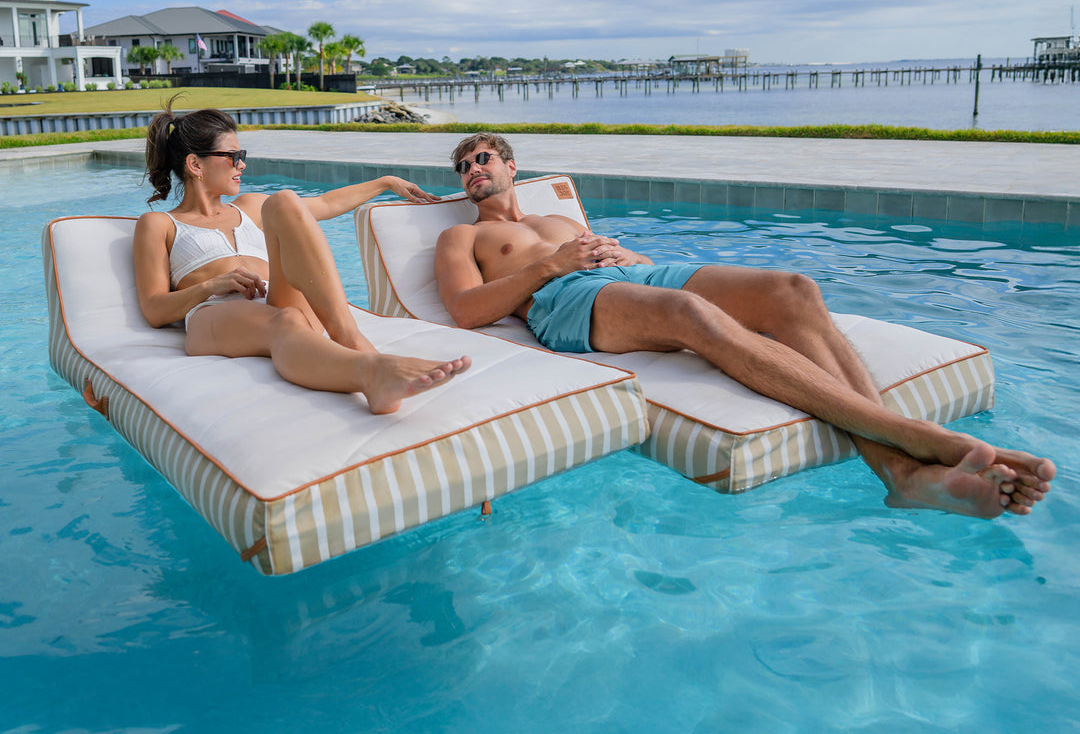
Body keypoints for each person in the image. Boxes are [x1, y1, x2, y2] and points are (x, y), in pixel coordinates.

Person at [434, 133, 1056, 519]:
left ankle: (905, 476)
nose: (471, 170)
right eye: (461, 168)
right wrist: (551, 265)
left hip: (625, 277)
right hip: (562, 298)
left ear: (512, 165)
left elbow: (637, 272)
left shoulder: (564, 219)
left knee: (793, 290)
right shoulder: (462, 234)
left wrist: (632, 259)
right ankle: (911, 442)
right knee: (689, 316)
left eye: (481, 158)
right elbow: (467, 310)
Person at [134, 102, 469, 413]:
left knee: (285, 201)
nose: (242, 164)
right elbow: (154, 309)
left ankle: (349, 336)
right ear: (195, 164)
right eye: (233, 156)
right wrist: (211, 284)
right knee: (286, 321)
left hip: (273, 299)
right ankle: (372, 370)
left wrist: (385, 182)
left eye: (242, 154)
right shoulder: (160, 224)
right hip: (215, 313)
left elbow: (325, 205)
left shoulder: (250, 206)